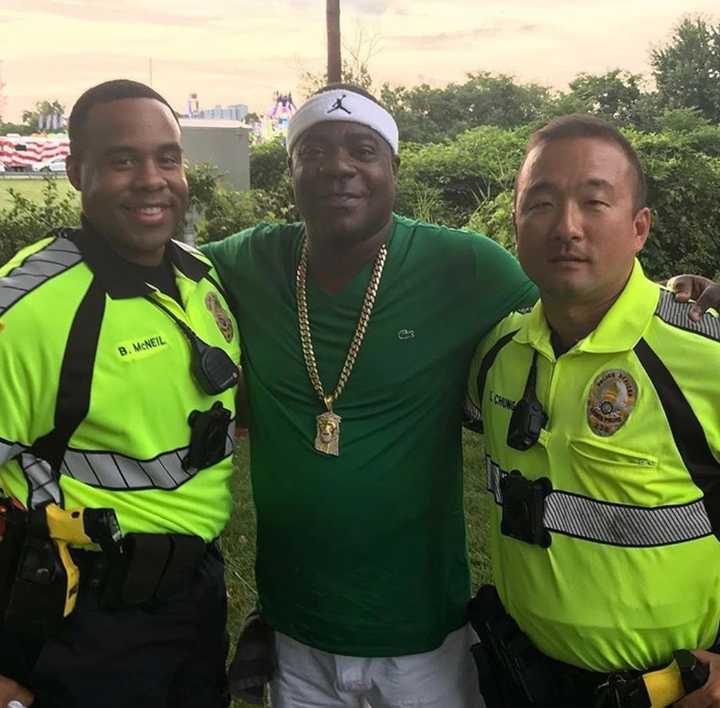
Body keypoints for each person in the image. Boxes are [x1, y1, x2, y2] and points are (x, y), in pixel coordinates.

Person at [202, 83, 537, 708]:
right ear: (292, 169)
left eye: (363, 149)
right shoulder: (249, 261)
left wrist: (677, 295)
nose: (339, 168)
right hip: (296, 635)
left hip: (422, 638)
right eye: (316, 152)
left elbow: (581, 306)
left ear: (394, 168)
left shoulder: (461, 266)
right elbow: (150, 267)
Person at [465, 114, 720, 707]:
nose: (567, 228)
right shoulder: (497, 355)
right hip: (521, 680)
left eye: (594, 202)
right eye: (542, 203)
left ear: (639, 228)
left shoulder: (702, 357)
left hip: (672, 692)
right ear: (516, 221)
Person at [0, 80, 240, 708]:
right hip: (82, 622)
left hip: (196, 606)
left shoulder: (200, 277)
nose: (152, 179)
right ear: (78, 171)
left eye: (168, 157)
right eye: (122, 160)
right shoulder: (27, 308)